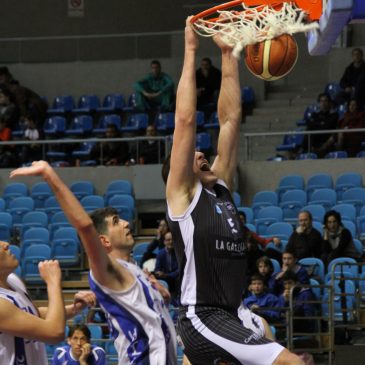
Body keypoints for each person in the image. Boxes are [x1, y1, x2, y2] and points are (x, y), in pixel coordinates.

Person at [163, 17, 303, 365]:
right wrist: (191, 50)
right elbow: (185, 121)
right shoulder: (183, 195)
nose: (200, 153)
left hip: (234, 310)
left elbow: (230, 119)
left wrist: (229, 54)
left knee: (268, 334)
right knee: (292, 363)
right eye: (193, 156)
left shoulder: (220, 188)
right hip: (203, 316)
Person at [10, 161, 177, 365]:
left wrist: (161, 300)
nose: (126, 223)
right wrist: (49, 174)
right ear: (104, 241)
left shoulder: (132, 268)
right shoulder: (104, 271)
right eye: (116, 221)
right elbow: (85, 226)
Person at [0, 241, 96, 365]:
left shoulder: (13, 280)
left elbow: (34, 315)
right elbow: (54, 332)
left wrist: (74, 308)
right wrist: (53, 281)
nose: (6, 244)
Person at [304, 93, 338, 157]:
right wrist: (321, 124)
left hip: (326, 141)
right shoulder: (314, 115)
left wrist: (317, 124)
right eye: (321, 101)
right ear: (319, 103)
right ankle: (303, 150)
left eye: (325, 101)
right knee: (308, 131)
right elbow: (310, 125)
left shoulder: (334, 115)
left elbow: (327, 127)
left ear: (329, 102)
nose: (323, 103)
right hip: (314, 141)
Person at [154, 231, 179, 297]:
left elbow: (179, 270)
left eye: (172, 240)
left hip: (175, 278)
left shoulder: (179, 253)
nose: (171, 242)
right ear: (164, 242)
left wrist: (167, 275)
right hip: (165, 278)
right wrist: (159, 273)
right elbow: (157, 269)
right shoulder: (160, 253)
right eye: (168, 240)